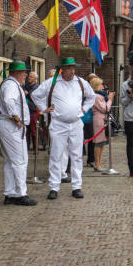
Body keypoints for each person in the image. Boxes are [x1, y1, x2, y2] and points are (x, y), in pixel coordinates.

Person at [32, 57, 95, 200]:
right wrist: (44, 108)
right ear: (63, 69)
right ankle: (54, 187)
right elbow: (36, 95)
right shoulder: (51, 83)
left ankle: (77, 187)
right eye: (69, 68)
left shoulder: (81, 82)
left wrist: (84, 108)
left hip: (76, 123)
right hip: (58, 123)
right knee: (56, 155)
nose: (72, 71)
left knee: (77, 156)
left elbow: (91, 97)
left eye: (73, 68)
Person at [0, 61, 37, 206]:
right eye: (23, 72)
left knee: (10, 161)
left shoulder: (10, 84)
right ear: (15, 73)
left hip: (8, 124)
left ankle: (10, 193)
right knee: (20, 160)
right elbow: (8, 101)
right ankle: (20, 194)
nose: (25, 75)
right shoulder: (11, 85)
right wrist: (17, 118)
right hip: (11, 125)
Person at [89, 77, 114, 171]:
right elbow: (105, 109)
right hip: (99, 120)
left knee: (102, 143)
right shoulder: (97, 96)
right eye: (100, 84)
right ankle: (97, 163)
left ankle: (99, 163)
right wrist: (110, 99)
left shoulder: (101, 95)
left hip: (103, 119)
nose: (102, 86)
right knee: (98, 143)